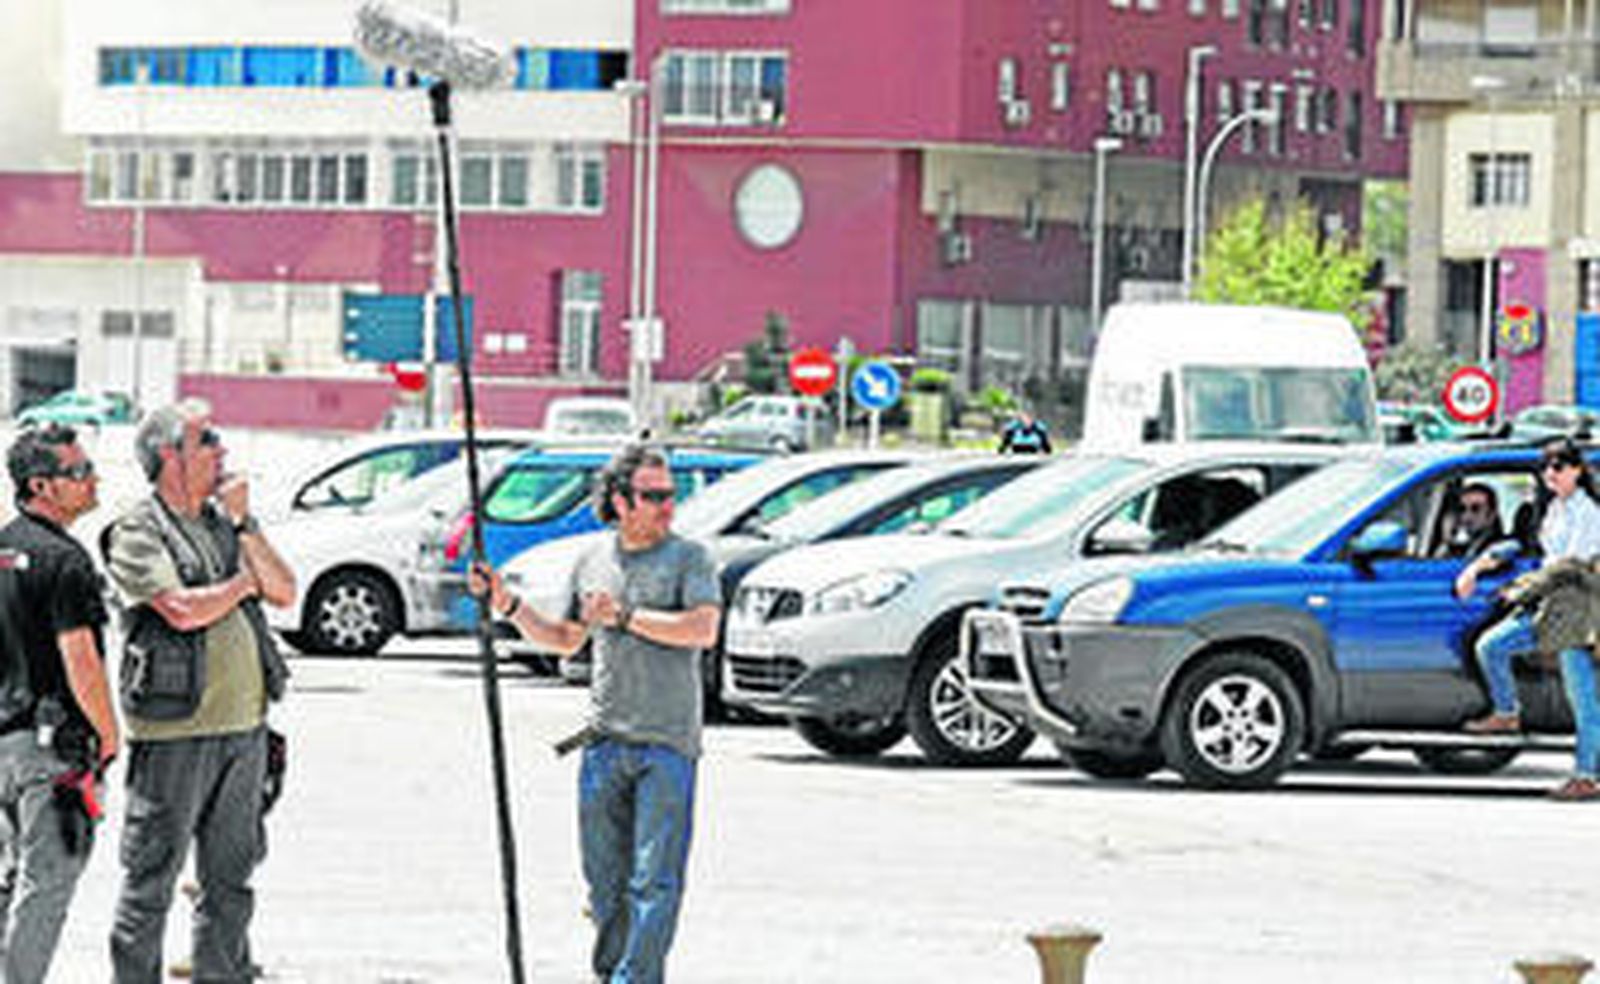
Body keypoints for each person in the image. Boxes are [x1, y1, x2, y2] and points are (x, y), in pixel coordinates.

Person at [471, 443, 720, 984]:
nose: (667, 506)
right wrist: (507, 605)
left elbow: (703, 629)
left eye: (671, 495)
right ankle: (610, 973)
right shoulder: (592, 561)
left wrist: (627, 616)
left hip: (667, 745)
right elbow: (565, 639)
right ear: (619, 501)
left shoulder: (689, 559)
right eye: (653, 496)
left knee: (654, 882)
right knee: (604, 885)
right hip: (605, 744)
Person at [102, 400, 296, 983]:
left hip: (244, 729)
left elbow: (284, 590)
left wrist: (244, 526)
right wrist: (242, 582)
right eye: (207, 439)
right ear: (169, 455)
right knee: (150, 881)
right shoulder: (138, 528)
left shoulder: (222, 523)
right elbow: (181, 610)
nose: (222, 451)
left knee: (230, 881)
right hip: (175, 733)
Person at [0, 425, 118, 983]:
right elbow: (82, 659)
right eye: (78, 472)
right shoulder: (67, 562)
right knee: (45, 884)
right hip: (52, 753)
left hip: (5, 743)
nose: (92, 478)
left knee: (10, 878)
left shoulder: (3, 547)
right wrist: (109, 733)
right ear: (41, 485)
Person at [1457, 438, 1600, 800]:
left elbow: (1570, 567)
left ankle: (1586, 775)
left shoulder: (1589, 513)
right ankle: (1506, 712)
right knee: (1491, 646)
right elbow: (1529, 547)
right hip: (1545, 605)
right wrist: (1485, 565)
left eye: (1559, 467)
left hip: (1574, 610)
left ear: (1578, 471)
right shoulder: (1553, 509)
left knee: (1581, 697)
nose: (1550, 474)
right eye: (1547, 467)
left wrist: (1522, 589)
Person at [1435, 482, 1505, 559]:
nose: (1466, 516)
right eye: (1462, 509)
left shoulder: (1500, 547)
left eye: (1476, 509)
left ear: (1491, 515)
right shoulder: (1460, 546)